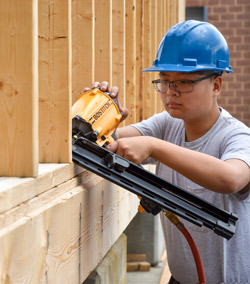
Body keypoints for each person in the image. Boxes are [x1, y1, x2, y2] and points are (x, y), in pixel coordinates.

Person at [84, 20, 250, 284]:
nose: (171, 92)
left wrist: (154, 146)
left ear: (217, 85)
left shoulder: (235, 136)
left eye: (184, 81)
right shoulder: (166, 123)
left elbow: (231, 178)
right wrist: (97, 114)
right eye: (164, 81)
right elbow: (110, 140)